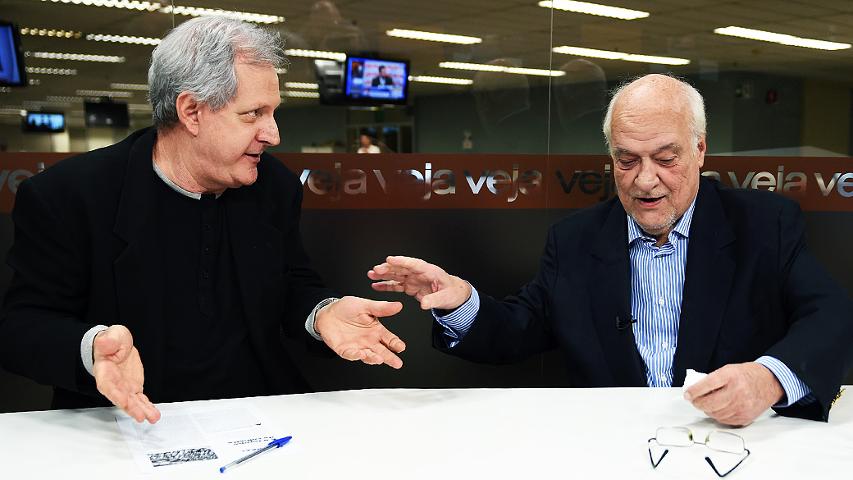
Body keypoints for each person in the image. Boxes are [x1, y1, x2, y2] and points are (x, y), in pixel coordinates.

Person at [369, 74, 853, 426]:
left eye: (665, 158)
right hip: (611, 448)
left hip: (729, 446)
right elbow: (521, 327)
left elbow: (831, 315)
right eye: (626, 160)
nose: (645, 180)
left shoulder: (764, 225)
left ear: (700, 150)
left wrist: (768, 380)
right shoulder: (576, 239)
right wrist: (459, 302)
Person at [0, 17, 407, 424]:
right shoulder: (69, 196)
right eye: (254, 113)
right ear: (191, 112)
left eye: (272, 113)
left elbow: (292, 285)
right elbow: (20, 328)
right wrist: (93, 347)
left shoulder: (274, 186)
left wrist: (321, 314)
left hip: (257, 414)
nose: (273, 134)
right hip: (128, 422)